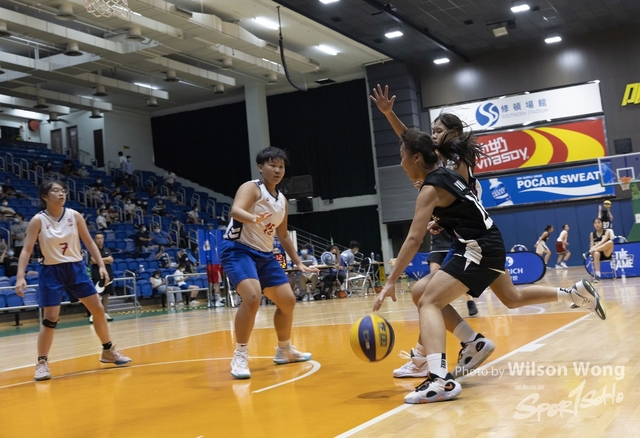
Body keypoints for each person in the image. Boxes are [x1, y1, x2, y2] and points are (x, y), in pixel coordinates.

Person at [371, 84, 606, 386]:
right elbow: (413, 144)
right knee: (510, 297)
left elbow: (418, 152)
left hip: (472, 243)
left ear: (453, 134)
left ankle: (432, 358)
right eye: (432, 131)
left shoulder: (455, 161)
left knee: (427, 297)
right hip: (473, 236)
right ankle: (572, 294)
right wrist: (389, 115)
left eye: (439, 130)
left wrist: (438, 214)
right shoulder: (440, 162)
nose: (434, 135)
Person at [14, 181, 130, 381]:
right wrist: (20, 276)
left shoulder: (74, 216)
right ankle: (41, 363)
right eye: (56, 191)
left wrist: (101, 265)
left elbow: (89, 242)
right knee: (51, 318)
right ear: (45, 196)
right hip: (51, 270)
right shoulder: (38, 220)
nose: (61, 194)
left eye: (63, 191)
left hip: (76, 268)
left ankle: (108, 351)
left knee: (98, 309)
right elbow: (26, 249)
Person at [220, 146, 316, 379]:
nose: (277, 170)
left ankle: (284, 350)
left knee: (288, 301)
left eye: (281, 166)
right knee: (252, 296)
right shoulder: (252, 187)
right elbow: (235, 211)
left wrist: (299, 263)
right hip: (238, 249)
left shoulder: (282, 200)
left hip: (265, 255)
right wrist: (253, 218)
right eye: (272, 165)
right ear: (261, 167)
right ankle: (240, 354)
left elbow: (283, 235)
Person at [90, 232, 114, 322]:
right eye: (98, 238)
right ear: (94, 239)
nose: (100, 240)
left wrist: (99, 260)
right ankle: (94, 314)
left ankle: (105, 313)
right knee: (97, 296)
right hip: (97, 275)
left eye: (101, 238)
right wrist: (105, 259)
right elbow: (93, 260)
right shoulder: (92, 249)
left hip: (108, 274)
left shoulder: (107, 249)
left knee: (106, 294)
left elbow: (111, 260)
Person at [586, 218, 614, 282]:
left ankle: (589, 252)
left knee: (610, 242)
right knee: (596, 253)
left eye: (598, 222)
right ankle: (598, 276)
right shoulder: (592, 234)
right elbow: (592, 246)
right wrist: (593, 249)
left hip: (606, 253)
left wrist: (593, 249)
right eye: (595, 223)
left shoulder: (607, 232)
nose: (597, 224)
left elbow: (603, 241)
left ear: (602, 224)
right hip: (597, 254)